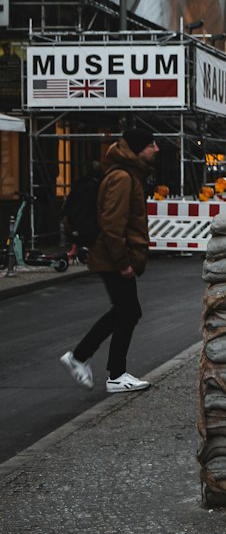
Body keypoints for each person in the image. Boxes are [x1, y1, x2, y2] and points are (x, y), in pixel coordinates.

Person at [59, 119, 159, 395]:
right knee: (127, 311)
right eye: (152, 144)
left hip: (115, 256)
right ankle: (97, 365)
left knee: (127, 311)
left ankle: (104, 367)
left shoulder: (128, 174)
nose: (157, 149)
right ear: (140, 149)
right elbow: (113, 224)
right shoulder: (122, 178)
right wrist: (123, 262)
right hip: (115, 257)